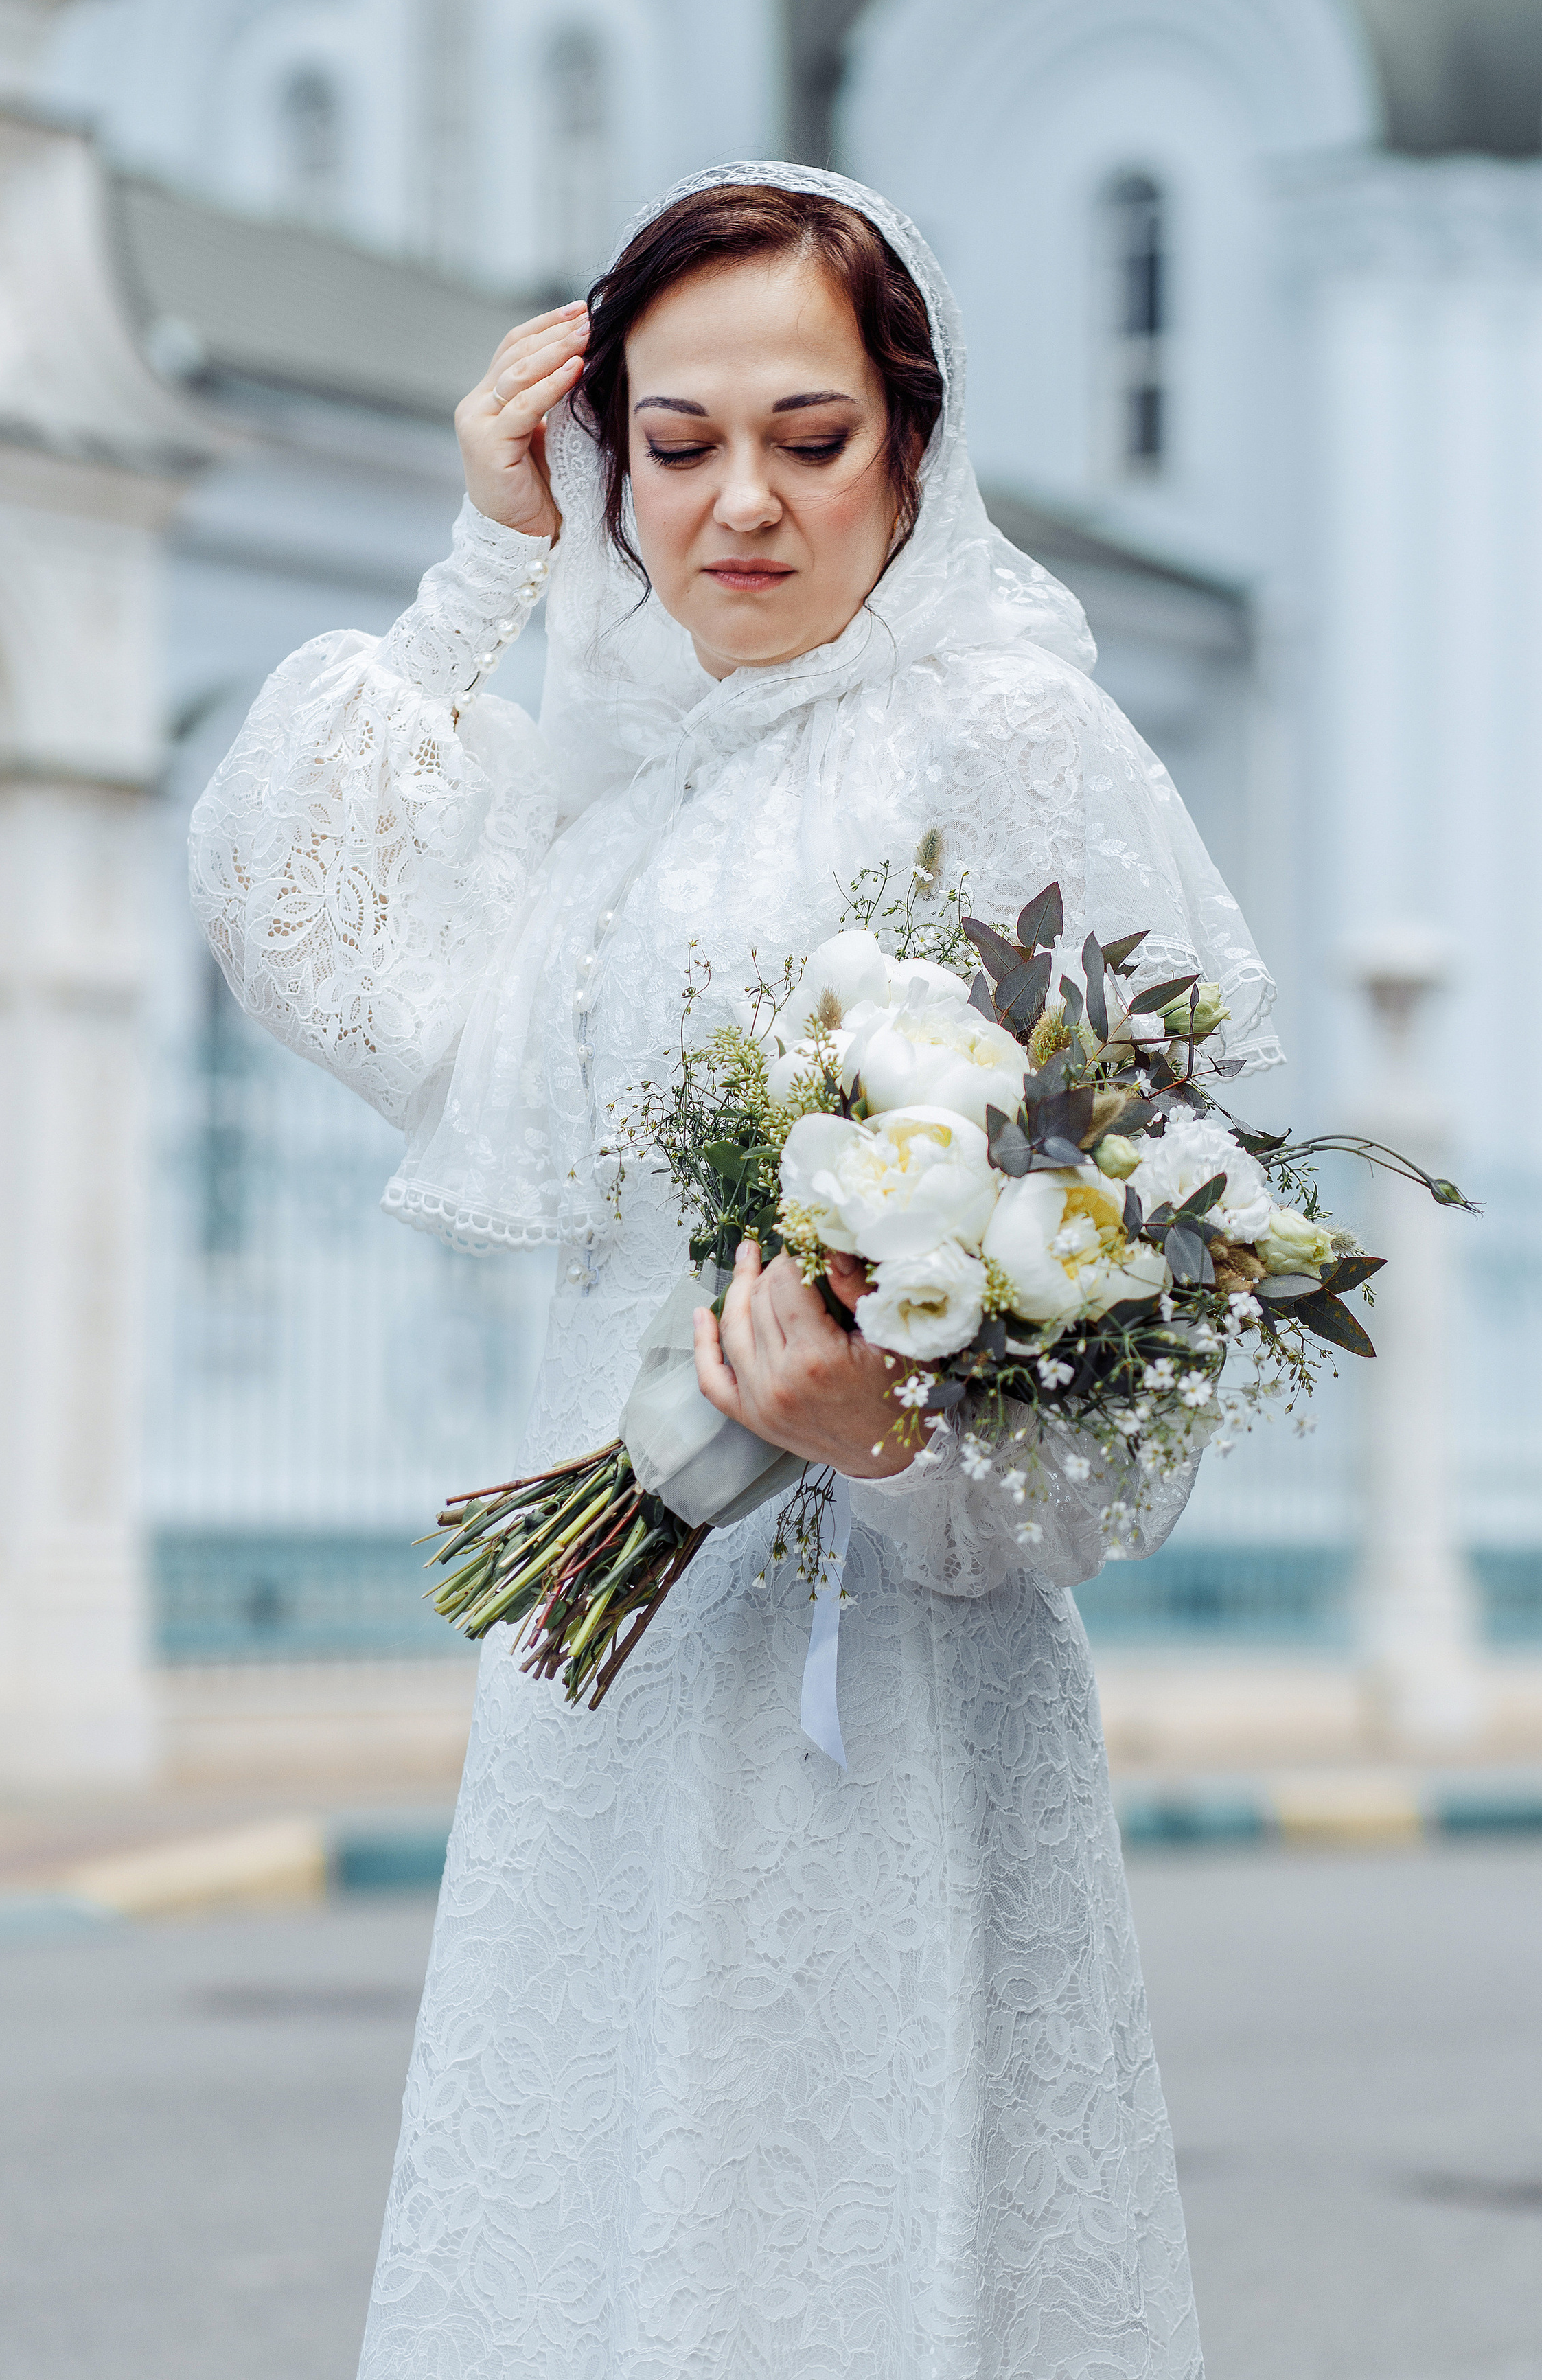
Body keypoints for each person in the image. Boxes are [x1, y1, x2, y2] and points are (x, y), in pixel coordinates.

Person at [190, 164, 1278, 2378]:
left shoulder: (1017, 738)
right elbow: (301, 923)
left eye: (810, 438)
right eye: (674, 448)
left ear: (913, 442)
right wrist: (486, 562)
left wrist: (881, 1428)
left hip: (884, 1670)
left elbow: (1161, 1273)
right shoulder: (614, 778)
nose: (741, 509)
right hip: (609, 1689)